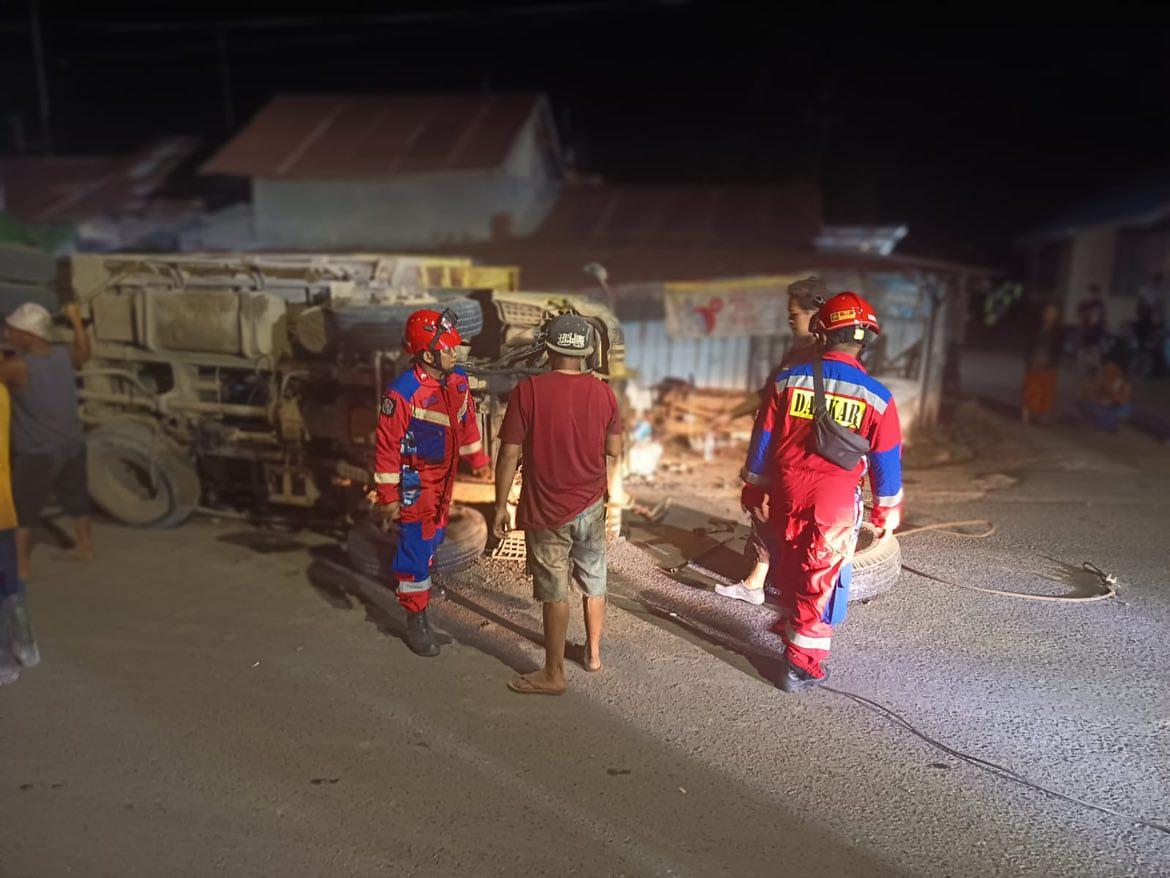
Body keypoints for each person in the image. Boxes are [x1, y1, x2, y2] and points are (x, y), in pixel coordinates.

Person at [741, 292, 903, 693]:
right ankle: (801, 664)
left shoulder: (787, 380)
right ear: (864, 340)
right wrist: (886, 513)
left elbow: (762, 439)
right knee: (822, 578)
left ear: (821, 331)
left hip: (786, 492)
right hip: (833, 504)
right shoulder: (877, 397)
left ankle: (792, 626)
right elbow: (886, 462)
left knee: (793, 562)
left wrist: (752, 488)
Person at [492, 313, 623, 695]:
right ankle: (594, 655)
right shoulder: (604, 393)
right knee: (594, 579)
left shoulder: (528, 391)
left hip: (547, 508)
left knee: (555, 589)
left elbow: (508, 455)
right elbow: (613, 449)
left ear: (547, 348)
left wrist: (500, 506)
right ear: (585, 352)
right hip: (591, 503)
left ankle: (553, 673)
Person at [372, 308, 491, 657]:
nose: (454, 354)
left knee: (434, 538)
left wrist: (479, 461)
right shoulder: (401, 394)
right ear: (428, 355)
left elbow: (467, 423)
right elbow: (386, 448)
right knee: (415, 548)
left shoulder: (456, 381)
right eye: (449, 349)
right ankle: (416, 620)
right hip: (415, 485)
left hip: (443, 483)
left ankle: (420, 591)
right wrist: (388, 496)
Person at [715, 276, 828, 606]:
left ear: (817, 314)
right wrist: (729, 414)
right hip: (786, 451)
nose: (790, 320)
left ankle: (783, 588)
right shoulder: (800, 352)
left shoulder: (820, 359)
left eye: (795, 314)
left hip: (795, 454)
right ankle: (760, 580)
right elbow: (768, 395)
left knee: (771, 509)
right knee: (766, 512)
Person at [3, 301, 92, 580]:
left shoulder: (17, 367)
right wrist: (76, 321)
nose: (8, 334)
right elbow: (84, 353)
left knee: (22, 510)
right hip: (72, 443)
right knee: (76, 498)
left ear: (28, 335)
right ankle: (84, 547)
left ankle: (20, 566)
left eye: (12, 330)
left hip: (38, 451)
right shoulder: (62, 355)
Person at [0, 351, 36, 685]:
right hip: (5, 509)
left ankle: (3, 665)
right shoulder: (1, 394)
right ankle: (26, 647)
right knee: (10, 583)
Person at [1020, 302, 1063, 426]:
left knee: (1046, 391)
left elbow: (1058, 351)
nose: (1051, 315)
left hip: (1050, 365)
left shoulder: (1058, 331)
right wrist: (1031, 359)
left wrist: (1050, 361)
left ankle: (1041, 415)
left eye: (1054, 313)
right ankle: (1026, 414)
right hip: (1034, 363)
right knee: (1030, 389)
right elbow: (1029, 346)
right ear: (1043, 314)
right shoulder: (1035, 328)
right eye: (1048, 312)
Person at [1078, 356, 1133, 432]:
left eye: (1111, 370)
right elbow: (1088, 393)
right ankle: (1103, 421)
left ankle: (1103, 422)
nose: (1108, 372)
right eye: (1106, 369)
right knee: (1084, 403)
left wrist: (1109, 391)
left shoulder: (1124, 384)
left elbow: (1121, 401)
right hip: (1100, 407)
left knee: (1124, 410)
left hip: (1113, 409)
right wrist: (1094, 392)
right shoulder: (1100, 379)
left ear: (1117, 371)